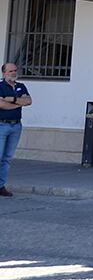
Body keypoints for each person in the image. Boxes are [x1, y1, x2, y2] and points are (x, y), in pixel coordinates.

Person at [0, 63, 31, 197]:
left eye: (15, 70)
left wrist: (12, 99)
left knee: (7, 158)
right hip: (2, 125)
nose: (13, 72)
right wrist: (18, 104)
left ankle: (0, 186)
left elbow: (29, 101)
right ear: (4, 73)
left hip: (16, 126)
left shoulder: (21, 86)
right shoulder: (0, 87)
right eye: (10, 71)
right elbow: (1, 105)